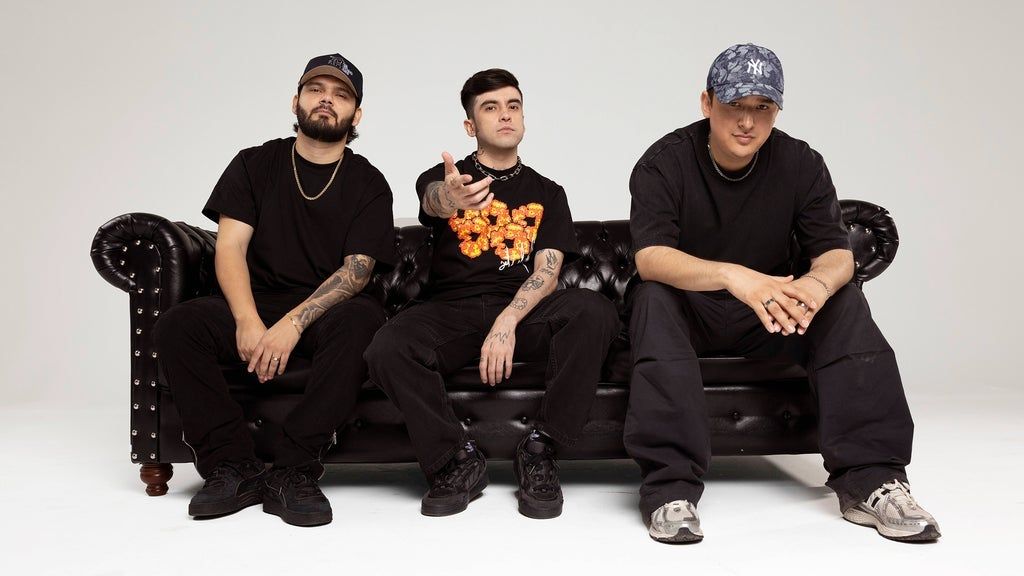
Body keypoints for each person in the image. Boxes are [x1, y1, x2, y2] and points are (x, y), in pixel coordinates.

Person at [626, 43, 940, 543]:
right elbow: (650, 257)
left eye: (762, 108)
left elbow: (836, 254)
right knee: (651, 298)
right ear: (707, 103)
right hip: (690, 309)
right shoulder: (664, 162)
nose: (747, 122)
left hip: (769, 315)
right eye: (734, 105)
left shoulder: (800, 162)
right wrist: (733, 276)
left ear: (776, 111)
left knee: (844, 300)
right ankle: (670, 490)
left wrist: (815, 285)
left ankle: (873, 481)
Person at [365, 68, 619, 519]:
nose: (505, 115)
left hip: (524, 314)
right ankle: (456, 460)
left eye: (513, 106)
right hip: (453, 311)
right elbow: (434, 199)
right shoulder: (446, 178)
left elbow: (548, 270)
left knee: (594, 311)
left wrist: (508, 320)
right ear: (470, 125)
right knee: (386, 347)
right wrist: (452, 198)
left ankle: (541, 449)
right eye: (490, 107)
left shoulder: (548, 192)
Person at [154, 53, 395, 527]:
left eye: (341, 95)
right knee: (179, 325)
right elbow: (230, 246)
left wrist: (292, 324)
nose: (326, 100)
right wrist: (246, 319)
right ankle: (232, 467)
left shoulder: (368, 182)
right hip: (256, 300)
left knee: (363, 320)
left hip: (325, 313)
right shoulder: (254, 163)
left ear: (356, 115)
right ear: (295, 101)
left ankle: (293, 470)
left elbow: (358, 270)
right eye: (315, 89)